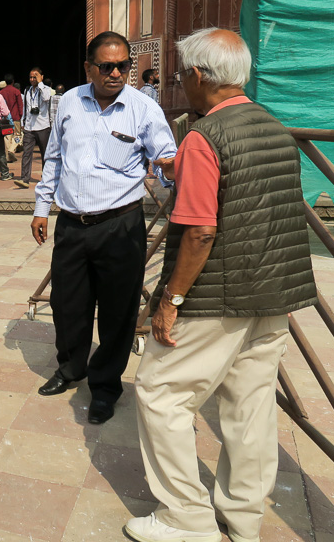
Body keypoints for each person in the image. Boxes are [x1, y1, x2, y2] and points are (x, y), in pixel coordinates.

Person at [125, 28, 317, 542]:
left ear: (198, 75)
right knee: (250, 406)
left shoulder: (204, 136)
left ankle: (185, 518)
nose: (180, 81)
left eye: (181, 73)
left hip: (216, 293)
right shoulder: (273, 127)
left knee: (160, 392)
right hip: (273, 290)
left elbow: (200, 231)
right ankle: (243, 518)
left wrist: (170, 301)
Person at [30, 31, 176, 424]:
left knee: (118, 311)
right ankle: (71, 368)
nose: (115, 73)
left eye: (123, 66)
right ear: (89, 68)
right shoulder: (69, 102)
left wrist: (174, 170)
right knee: (67, 304)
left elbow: (166, 159)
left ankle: (106, 387)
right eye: (107, 66)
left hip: (120, 225)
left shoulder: (144, 109)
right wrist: (42, 207)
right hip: (72, 223)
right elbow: (54, 158)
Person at [14, 67, 52, 188]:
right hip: (29, 127)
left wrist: (40, 83)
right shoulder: (27, 90)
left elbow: (46, 98)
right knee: (26, 153)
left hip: (43, 126)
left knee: (45, 154)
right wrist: (23, 122)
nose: (32, 79)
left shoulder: (46, 89)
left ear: (41, 77)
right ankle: (24, 179)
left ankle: (46, 177)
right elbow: (25, 107)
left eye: (35, 77)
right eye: (30, 77)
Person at [0, 73, 24, 161]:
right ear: (13, 81)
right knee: (17, 136)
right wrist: (20, 115)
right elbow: (20, 105)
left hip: (5, 118)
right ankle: (12, 149)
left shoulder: (1, 92)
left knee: (7, 136)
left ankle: (8, 156)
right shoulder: (16, 91)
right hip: (15, 117)